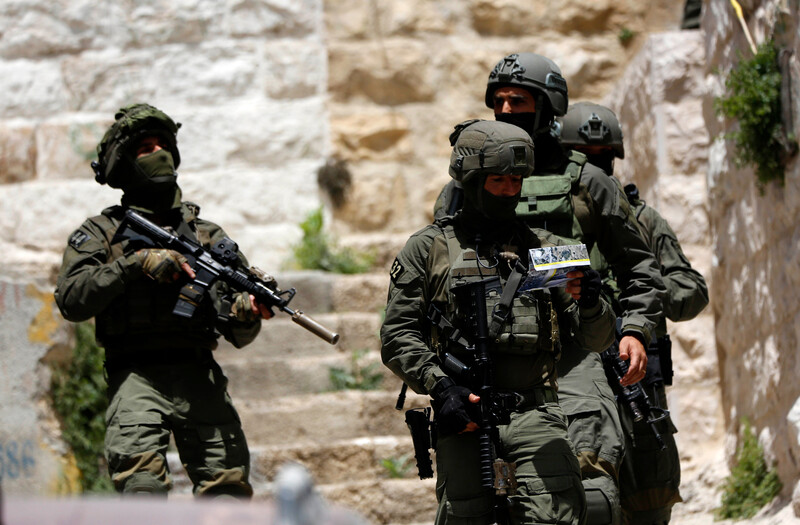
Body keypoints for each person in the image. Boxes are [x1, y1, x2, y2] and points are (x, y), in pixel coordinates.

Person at [434, 52, 668, 525]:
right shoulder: (462, 188)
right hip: (490, 351)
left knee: (590, 478)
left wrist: (635, 330)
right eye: (496, 101)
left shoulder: (589, 182)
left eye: (517, 100)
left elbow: (643, 269)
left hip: (576, 347)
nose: (504, 110)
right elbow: (440, 267)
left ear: (547, 106)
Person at [382, 119, 617, 524]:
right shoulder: (429, 249)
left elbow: (596, 340)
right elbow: (398, 336)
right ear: (472, 181)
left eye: (516, 180)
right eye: (498, 181)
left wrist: (593, 303)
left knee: (556, 515)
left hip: (535, 414)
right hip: (465, 415)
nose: (510, 191)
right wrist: (443, 388)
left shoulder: (548, 251)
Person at [54, 103, 272, 498]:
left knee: (228, 494)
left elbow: (237, 331)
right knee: (142, 494)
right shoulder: (102, 233)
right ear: (123, 163)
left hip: (199, 374)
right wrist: (134, 266)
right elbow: (71, 299)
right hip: (136, 374)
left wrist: (246, 312)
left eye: (163, 145)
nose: (159, 155)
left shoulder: (207, 237)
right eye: (145, 148)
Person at [558, 101, 710, 525]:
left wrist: (640, 300)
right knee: (591, 494)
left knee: (650, 499)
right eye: (585, 158)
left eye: (604, 157)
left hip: (638, 382)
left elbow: (692, 292)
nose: (596, 167)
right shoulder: (557, 231)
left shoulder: (643, 220)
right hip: (580, 379)